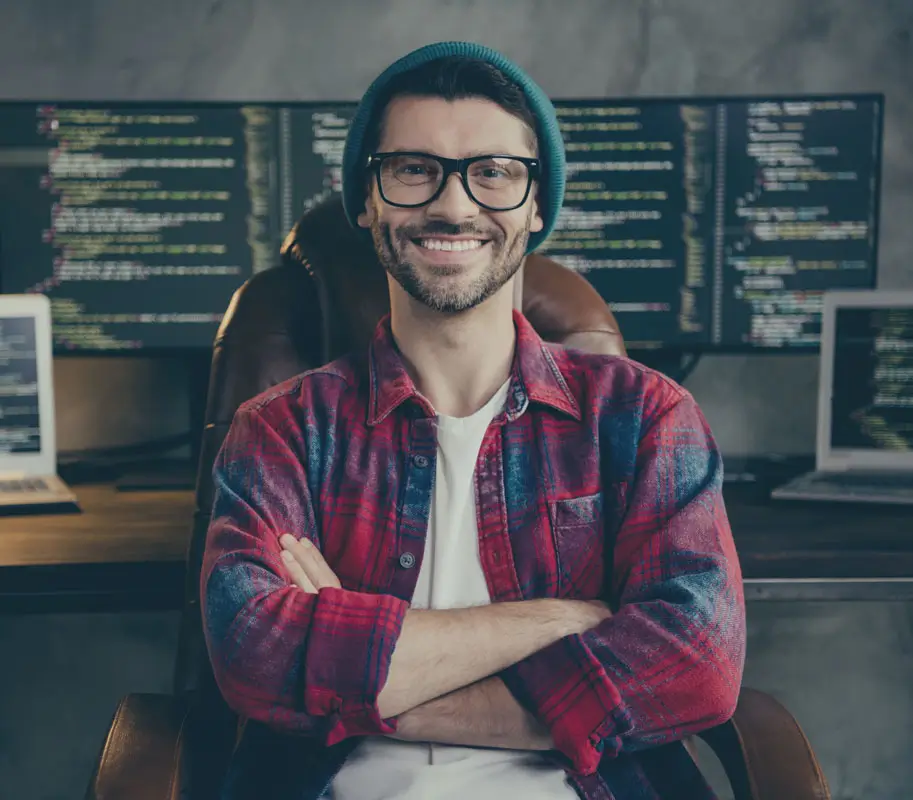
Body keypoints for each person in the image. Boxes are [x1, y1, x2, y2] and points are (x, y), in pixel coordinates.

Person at [201, 41, 746, 800]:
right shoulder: (282, 430)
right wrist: (559, 620)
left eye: (492, 172)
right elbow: (255, 657)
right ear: (367, 199)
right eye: (413, 168)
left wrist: (354, 683)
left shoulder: (644, 417)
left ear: (535, 205)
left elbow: (697, 668)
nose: (453, 205)